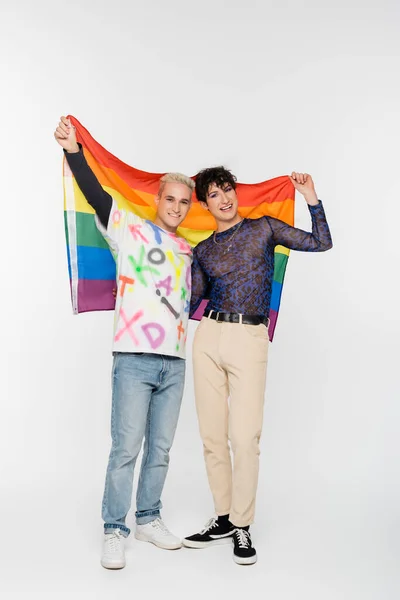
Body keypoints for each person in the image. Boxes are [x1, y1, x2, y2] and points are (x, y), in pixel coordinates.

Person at [54, 117, 194, 569]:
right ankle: (115, 528)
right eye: (170, 199)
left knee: (161, 449)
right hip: (133, 357)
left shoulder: (189, 249)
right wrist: (75, 151)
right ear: (158, 200)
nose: (176, 207)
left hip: (173, 362)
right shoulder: (130, 230)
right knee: (126, 449)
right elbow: (96, 193)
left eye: (183, 202)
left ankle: (149, 519)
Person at [183, 166, 332, 565]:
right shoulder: (203, 250)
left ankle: (243, 525)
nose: (224, 198)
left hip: (249, 338)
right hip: (208, 337)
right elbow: (189, 299)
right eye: (214, 194)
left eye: (227, 189)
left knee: (245, 438)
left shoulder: (265, 228)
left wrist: (311, 198)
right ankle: (223, 518)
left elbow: (321, 243)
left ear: (236, 193)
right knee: (212, 437)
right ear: (205, 203)